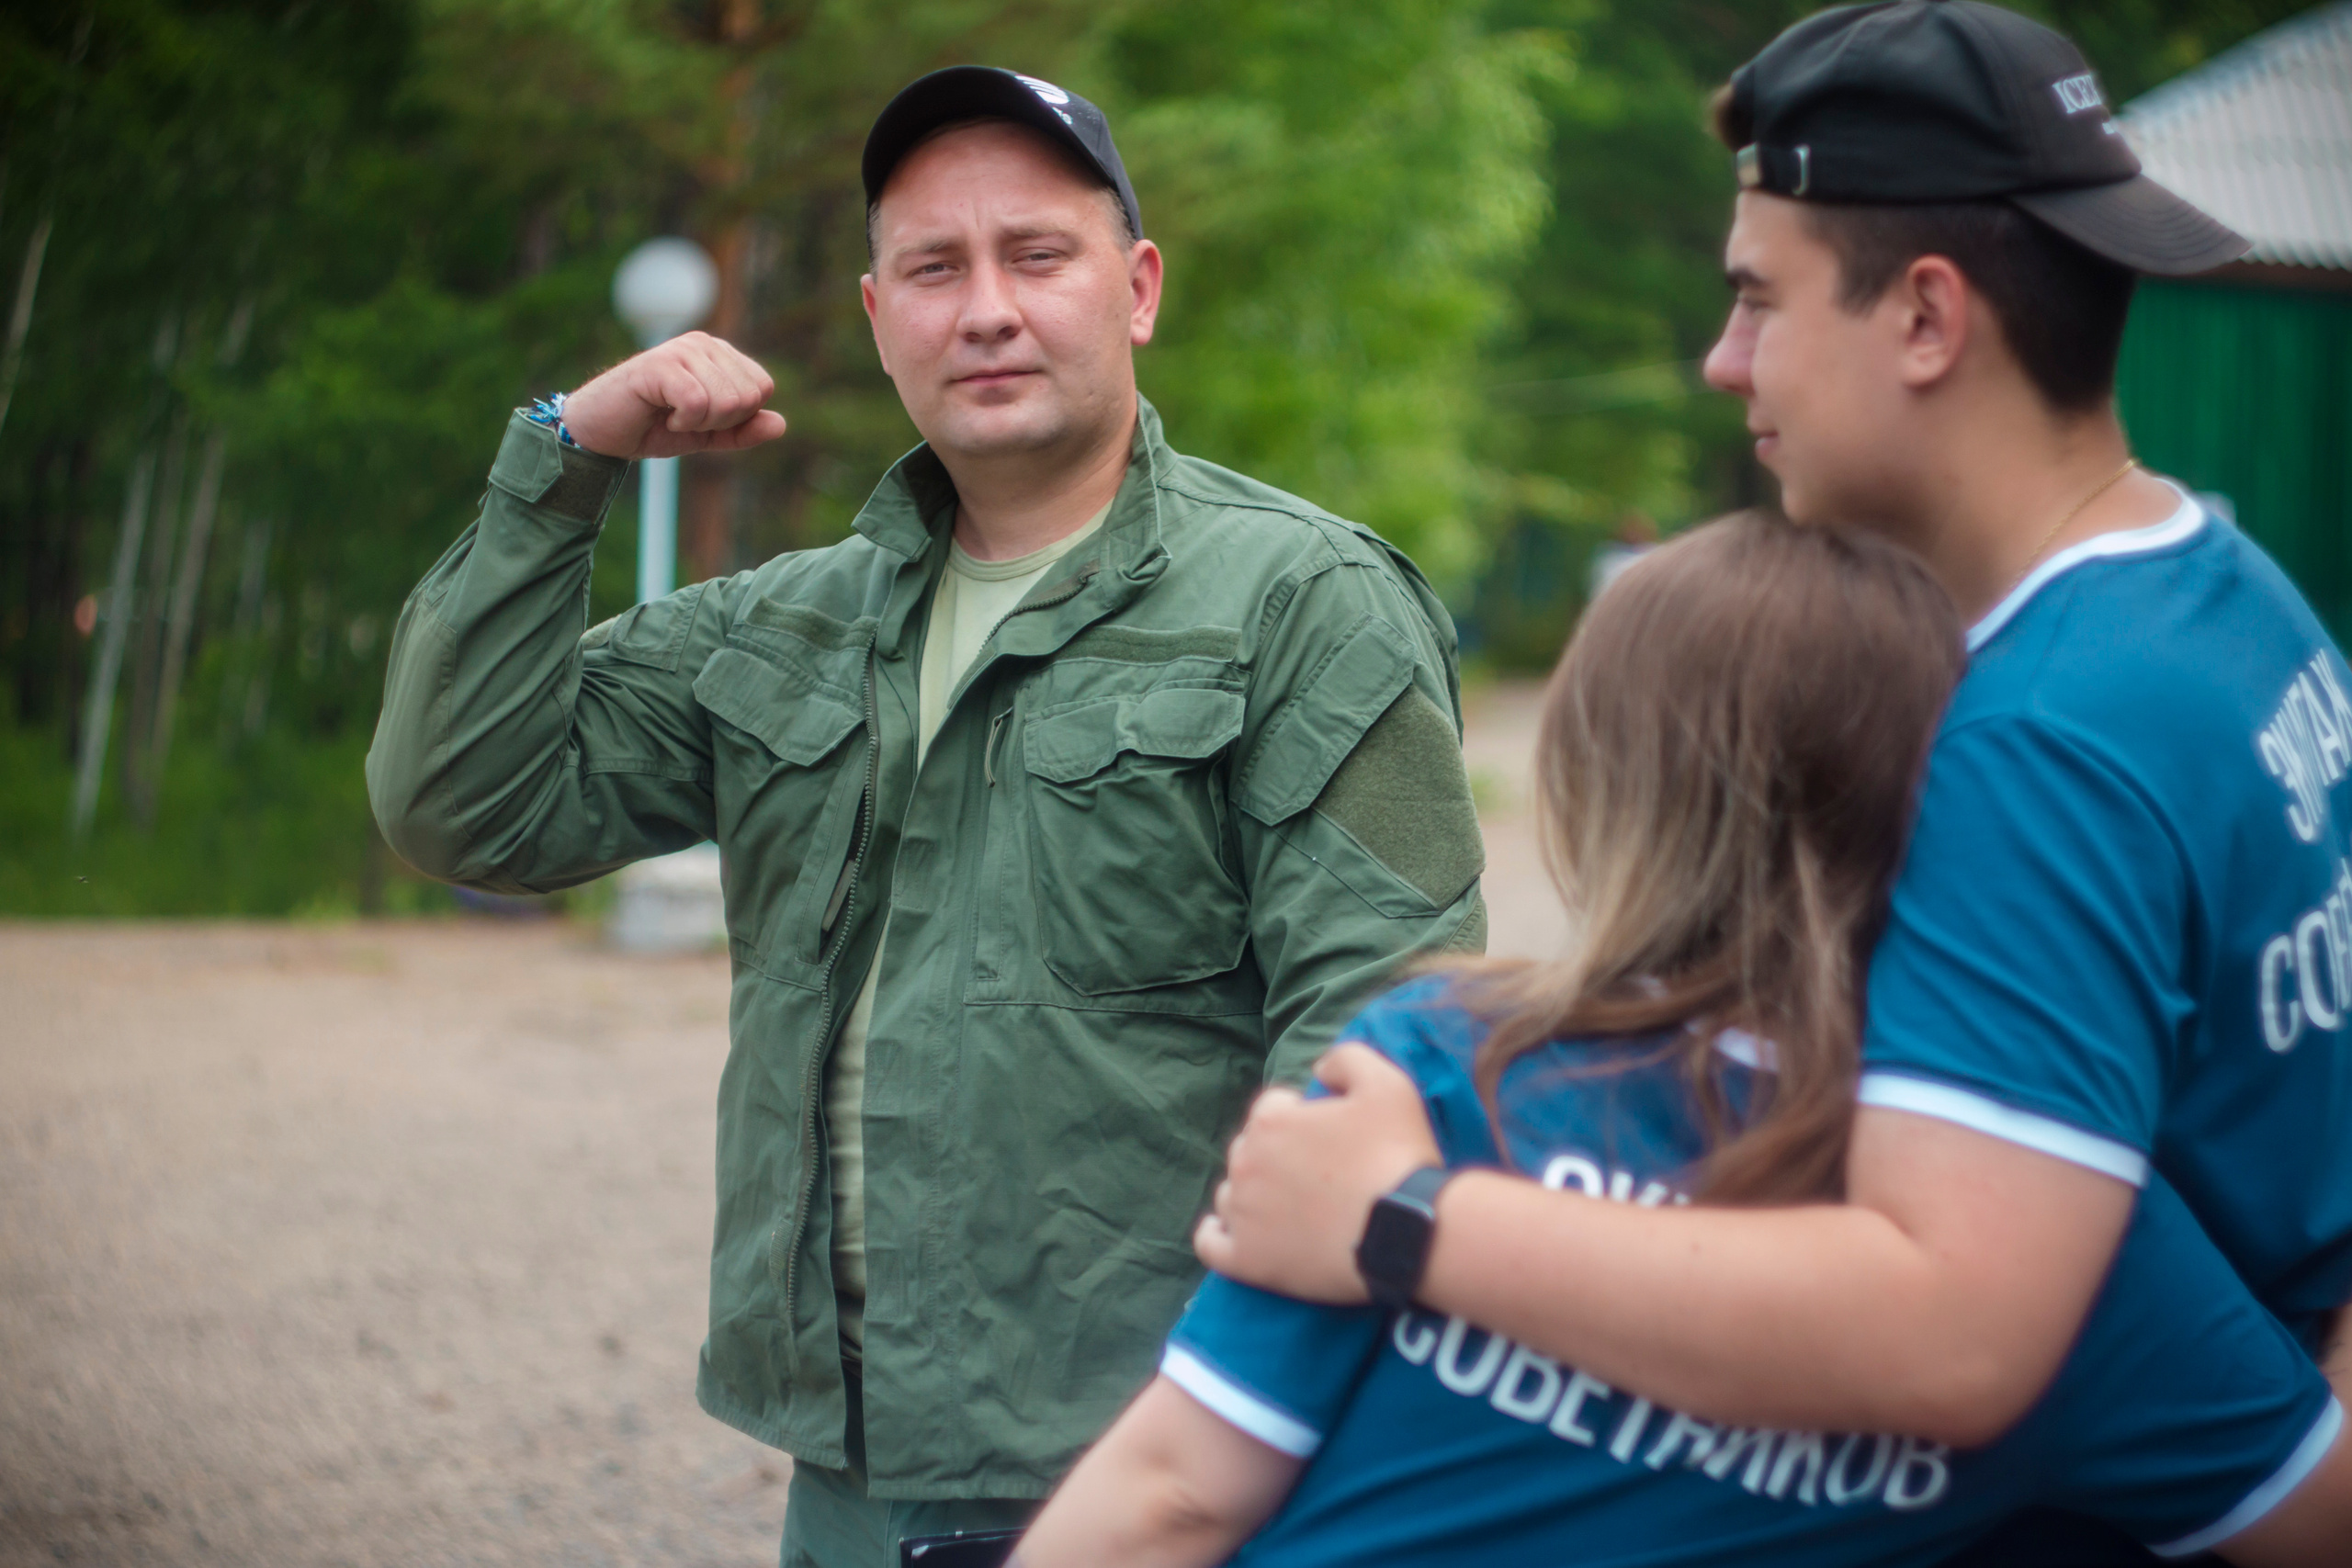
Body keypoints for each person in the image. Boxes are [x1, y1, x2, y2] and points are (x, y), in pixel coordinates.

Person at [1195, 5, 2352, 1564]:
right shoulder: (2221, 595)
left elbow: (1953, 1333)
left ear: (1928, 319)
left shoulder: (2041, 742)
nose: (1720, 358)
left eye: (1758, 298)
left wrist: (1404, 1216)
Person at [366, 65, 1486, 1568]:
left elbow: (1375, 1047)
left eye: (1039, 256)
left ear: (1137, 288)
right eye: (934, 269)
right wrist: (571, 454)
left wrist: (1217, 1444)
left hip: (1162, 1474)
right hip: (851, 1481)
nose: (988, 310)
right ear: (879, 313)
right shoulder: (786, 629)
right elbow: (459, 801)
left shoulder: (1304, 606)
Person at [1011, 513, 2352, 1568]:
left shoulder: (1432, 1073)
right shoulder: (2069, 1244)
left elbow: (1172, 1497)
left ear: (1602, 796)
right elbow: (2316, 1519)